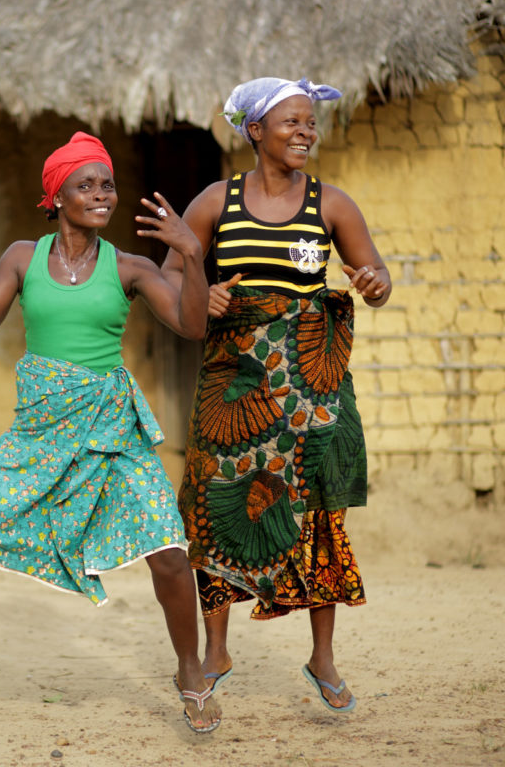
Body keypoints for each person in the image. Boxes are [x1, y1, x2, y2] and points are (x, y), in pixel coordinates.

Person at [0, 132, 222, 734]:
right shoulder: (24, 257)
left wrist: (190, 253)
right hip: (38, 430)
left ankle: (190, 670)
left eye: (107, 184)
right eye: (86, 185)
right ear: (56, 196)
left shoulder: (129, 267)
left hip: (112, 432)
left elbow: (191, 326)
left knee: (168, 549)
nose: (101, 194)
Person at [162, 77, 392, 714]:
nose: (305, 132)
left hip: (311, 388)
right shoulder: (216, 202)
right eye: (292, 122)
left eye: (311, 123)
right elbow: (171, 274)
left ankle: (322, 656)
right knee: (212, 506)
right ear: (255, 131)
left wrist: (373, 283)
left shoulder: (332, 205)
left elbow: (377, 278)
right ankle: (216, 650)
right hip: (234, 387)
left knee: (318, 510)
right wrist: (199, 294)